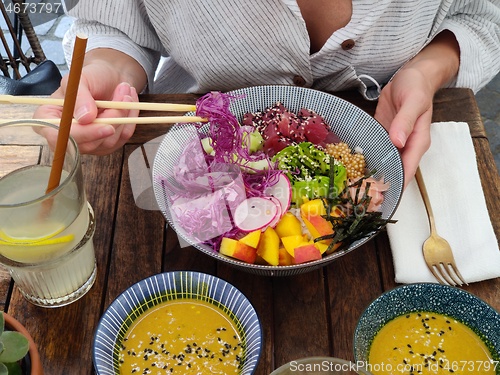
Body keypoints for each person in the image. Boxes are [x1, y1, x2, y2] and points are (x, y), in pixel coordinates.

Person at [35, 0, 500, 187]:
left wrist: (428, 66)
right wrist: (104, 73)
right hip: (191, 163)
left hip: (398, 153)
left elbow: (484, 15)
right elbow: (113, 25)